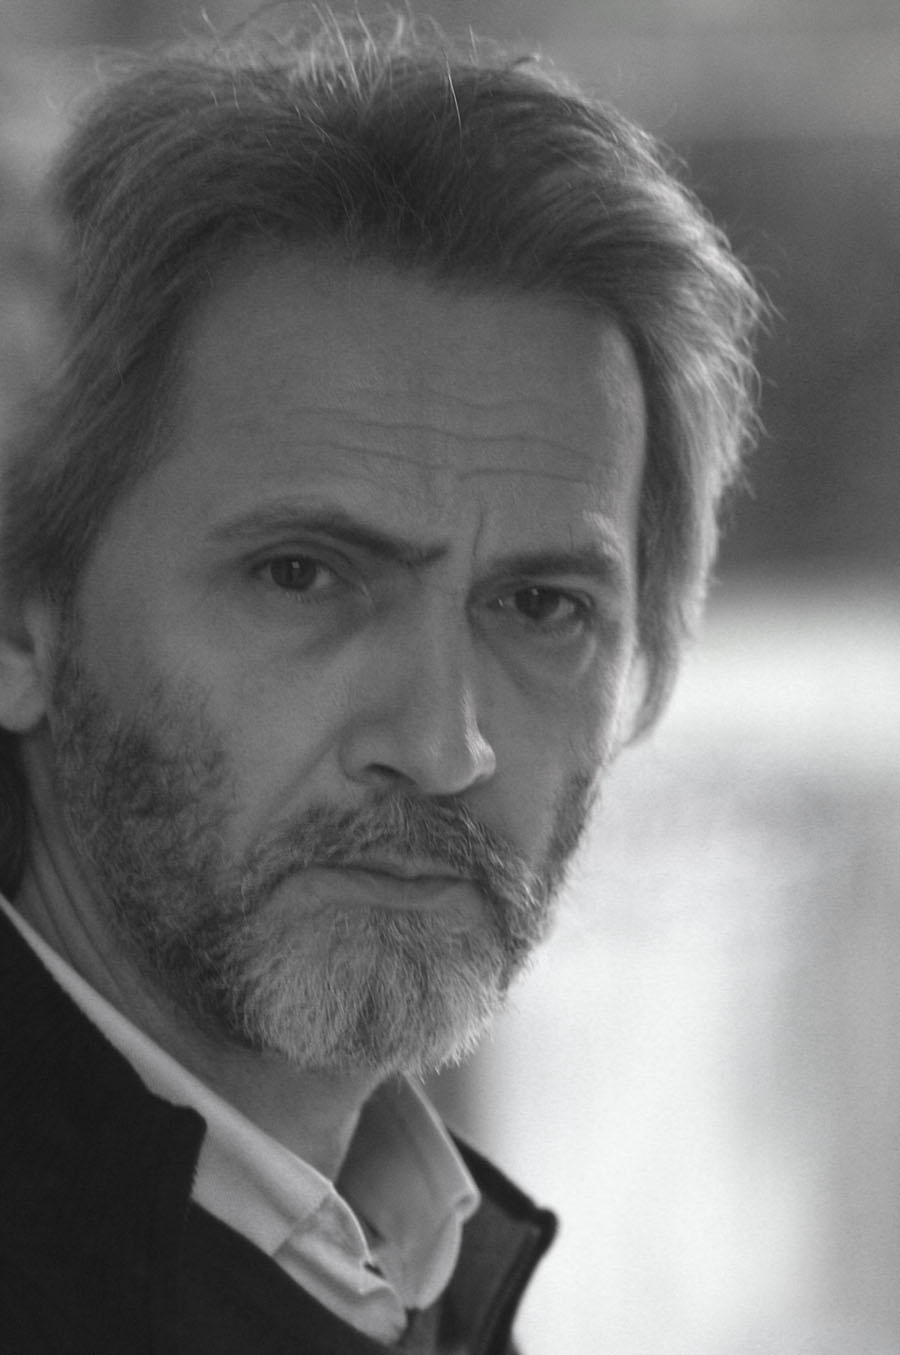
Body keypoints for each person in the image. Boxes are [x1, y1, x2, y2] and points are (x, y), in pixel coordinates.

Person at [0, 10, 761, 1353]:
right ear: (21, 623)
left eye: (542, 606)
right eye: (303, 575)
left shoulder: (395, 1264)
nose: (444, 743)